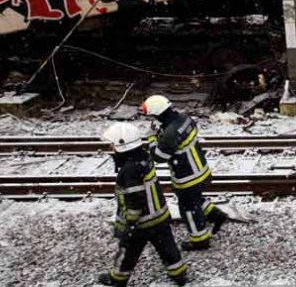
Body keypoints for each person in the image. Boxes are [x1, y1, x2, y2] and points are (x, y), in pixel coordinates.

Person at [98, 122, 189, 286]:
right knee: (168, 248)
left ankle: (117, 278)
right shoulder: (144, 157)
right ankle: (179, 274)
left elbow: (135, 200)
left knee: (128, 251)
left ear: (121, 145)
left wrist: (130, 224)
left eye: (112, 144)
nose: (111, 147)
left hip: (142, 222)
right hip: (159, 216)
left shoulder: (128, 170)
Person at [143, 94, 229, 250]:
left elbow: (159, 157)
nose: (152, 119)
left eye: (152, 116)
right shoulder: (184, 118)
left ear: (158, 113)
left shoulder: (170, 133)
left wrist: (151, 139)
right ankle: (217, 216)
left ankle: (199, 240)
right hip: (200, 169)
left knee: (188, 207)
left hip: (187, 176)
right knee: (195, 199)